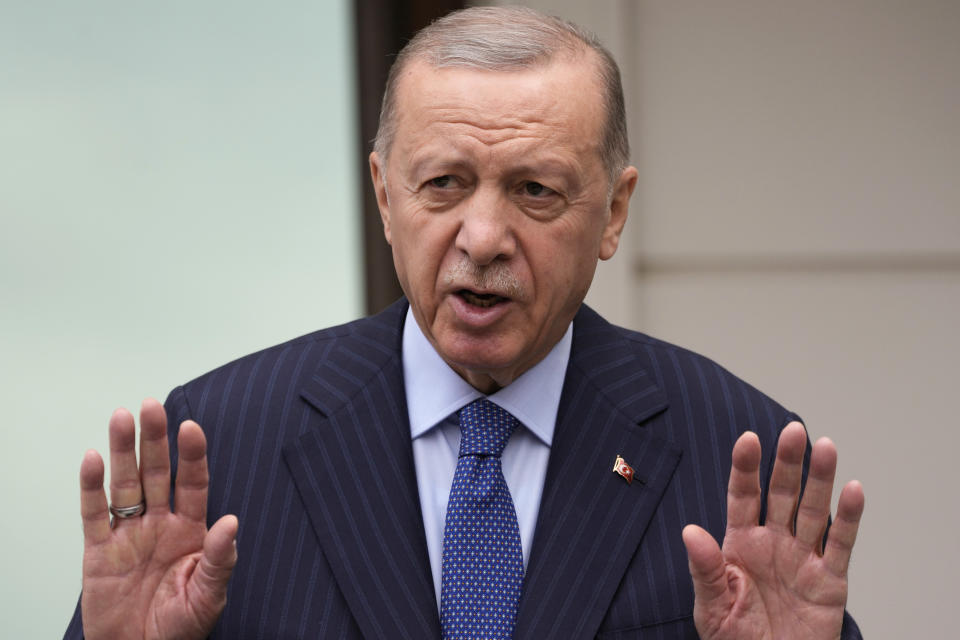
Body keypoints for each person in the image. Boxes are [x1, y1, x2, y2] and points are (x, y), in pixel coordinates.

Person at [65, 6, 864, 639]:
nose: (483, 239)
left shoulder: (741, 459)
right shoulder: (217, 446)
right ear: (384, 196)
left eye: (535, 191)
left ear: (614, 213)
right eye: (444, 182)